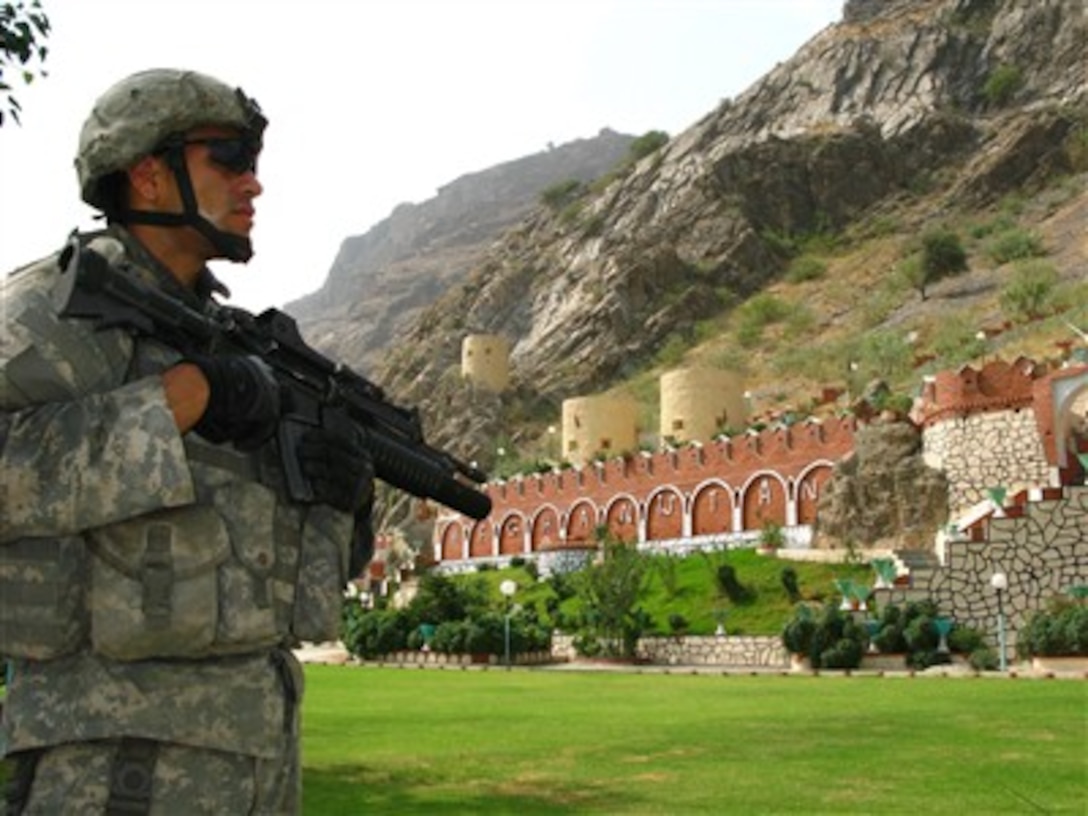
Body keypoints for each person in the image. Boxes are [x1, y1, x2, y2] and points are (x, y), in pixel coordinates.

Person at [0, 68, 374, 814]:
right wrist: (181, 401)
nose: (253, 185)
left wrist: (350, 500)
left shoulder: (244, 347)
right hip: (112, 768)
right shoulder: (54, 311)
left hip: (257, 759)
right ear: (147, 175)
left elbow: (275, 565)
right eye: (230, 159)